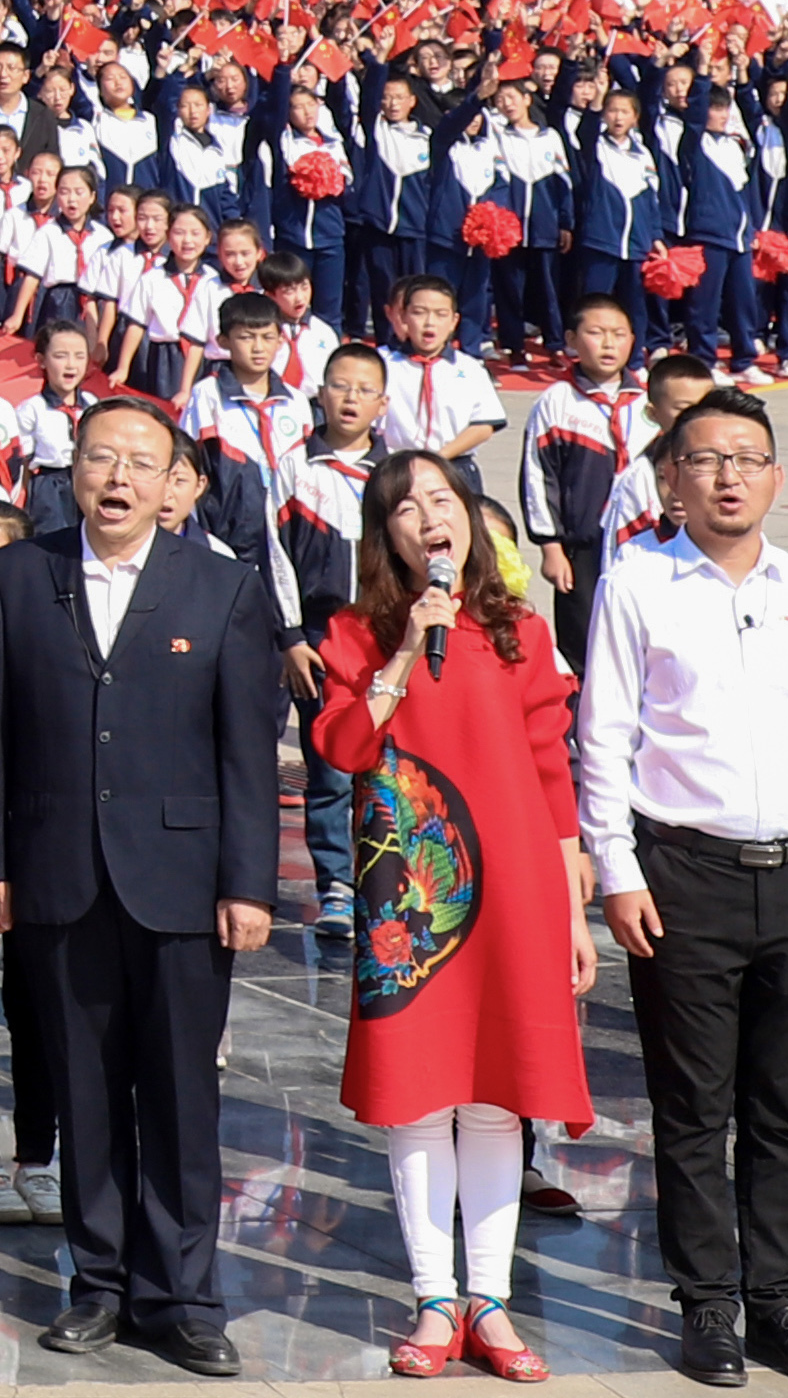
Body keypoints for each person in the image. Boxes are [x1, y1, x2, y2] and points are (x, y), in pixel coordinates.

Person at [0, 397, 278, 1380]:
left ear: (174, 479)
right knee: (85, 1090)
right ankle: (96, 1281)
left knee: (181, 1096)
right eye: (101, 456)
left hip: (183, 881)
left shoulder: (221, 586)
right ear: (73, 468)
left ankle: (183, 1293)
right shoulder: (20, 574)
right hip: (58, 873)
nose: (118, 476)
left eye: (140, 460)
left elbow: (246, 754)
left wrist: (249, 882)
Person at [580, 392, 788, 1395]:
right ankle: (707, 1301)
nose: (729, 475)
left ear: (776, 477)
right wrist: (615, 865)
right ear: (674, 476)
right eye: (707, 458)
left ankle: (778, 1299)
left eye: (749, 457)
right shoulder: (637, 583)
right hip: (684, 875)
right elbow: (605, 735)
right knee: (694, 1101)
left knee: (784, 1103)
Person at [308, 453, 594, 1384]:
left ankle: (492, 1300)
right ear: (386, 535)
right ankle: (435, 1298)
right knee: (422, 1091)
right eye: (406, 508)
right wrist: (402, 652)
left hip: (517, 882)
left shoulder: (516, 629)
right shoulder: (358, 632)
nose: (430, 517)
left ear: (469, 518)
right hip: (415, 892)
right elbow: (350, 743)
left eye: (444, 500)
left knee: (498, 1095)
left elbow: (552, 770)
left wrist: (572, 904)